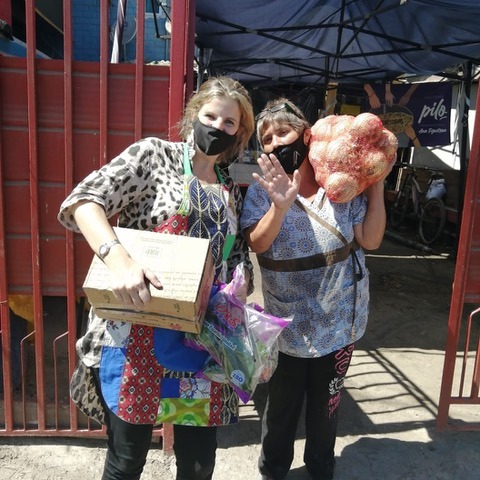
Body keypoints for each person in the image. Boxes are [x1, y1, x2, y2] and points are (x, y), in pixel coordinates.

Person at [57, 76, 255, 480]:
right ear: (193, 116)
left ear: (239, 133)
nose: (217, 126)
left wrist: (240, 286)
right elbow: (83, 201)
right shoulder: (154, 156)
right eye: (210, 116)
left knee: (198, 465)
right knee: (126, 462)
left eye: (229, 122)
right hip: (137, 338)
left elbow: (236, 257)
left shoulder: (229, 189)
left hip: (200, 346)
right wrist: (119, 260)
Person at [240, 99, 392, 480]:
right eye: (267, 139)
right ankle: (274, 468)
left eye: (283, 132)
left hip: (339, 325)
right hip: (288, 327)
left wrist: (375, 181)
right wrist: (280, 205)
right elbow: (257, 243)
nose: (276, 143)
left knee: (327, 405)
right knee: (282, 407)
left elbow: (371, 240)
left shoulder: (339, 187)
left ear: (306, 136)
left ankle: (321, 465)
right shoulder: (261, 191)